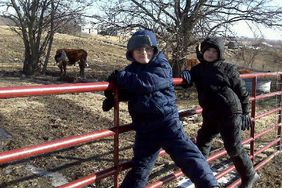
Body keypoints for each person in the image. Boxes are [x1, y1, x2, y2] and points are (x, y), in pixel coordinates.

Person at [102, 30, 219, 188]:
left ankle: (211, 185)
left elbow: (148, 83)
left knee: (189, 157)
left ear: (154, 50)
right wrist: (113, 96)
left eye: (147, 49)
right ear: (131, 53)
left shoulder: (161, 64)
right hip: (145, 129)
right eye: (139, 50)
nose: (144, 53)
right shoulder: (131, 70)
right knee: (139, 169)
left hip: (167, 124)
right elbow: (132, 89)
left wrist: (121, 77)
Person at [181, 37, 260, 188]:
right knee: (202, 143)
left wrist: (245, 112)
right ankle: (202, 178)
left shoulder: (228, 68)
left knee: (233, 146)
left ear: (220, 53)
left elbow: (241, 91)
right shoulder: (197, 69)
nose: (210, 53)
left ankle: (250, 175)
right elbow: (186, 84)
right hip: (211, 114)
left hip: (230, 112)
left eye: (214, 51)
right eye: (208, 50)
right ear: (202, 52)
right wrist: (186, 75)